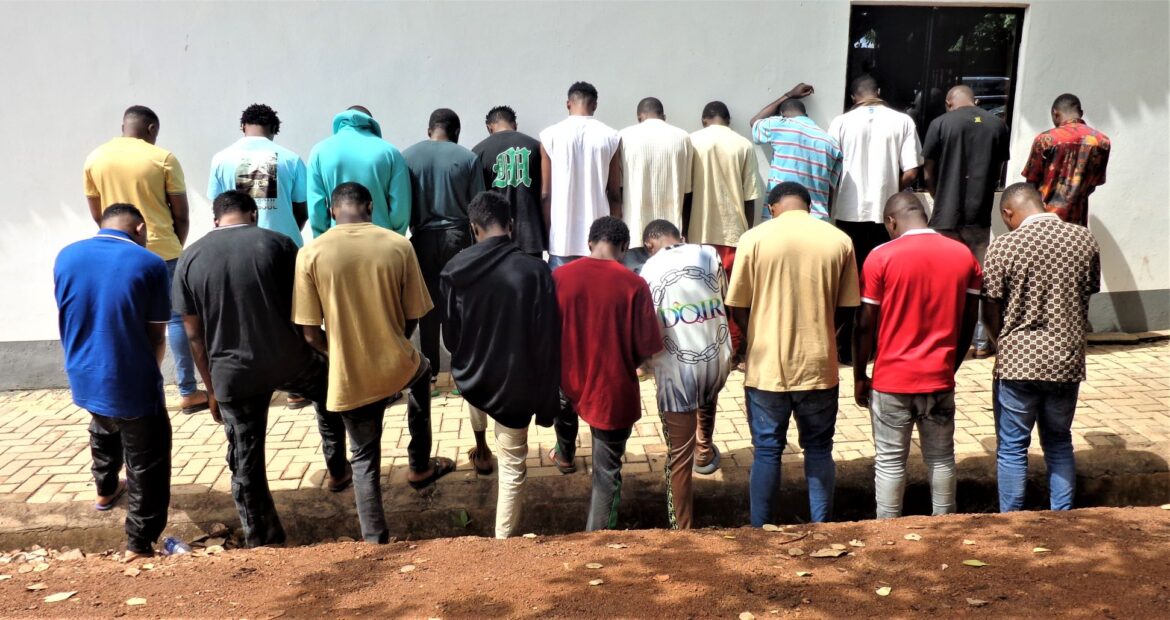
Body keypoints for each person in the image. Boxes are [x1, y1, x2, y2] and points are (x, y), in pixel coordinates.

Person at [173, 191, 351, 548]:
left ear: (215, 220)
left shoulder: (189, 258)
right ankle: (337, 470)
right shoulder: (278, 244)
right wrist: (322, 348)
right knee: (327, 391)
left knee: (245, 459)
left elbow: (193, 334)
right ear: (253, 214)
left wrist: (211, 390)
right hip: (291, 360)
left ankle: (264, 541)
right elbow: (307, 308)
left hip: (233, 375)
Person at [292, 182, 455, 543]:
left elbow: (309, 334)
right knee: (423, 371)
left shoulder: (311, 253)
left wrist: (340, 354)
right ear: (369, 207)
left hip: (350, 377)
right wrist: (396, 339)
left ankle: (374, 541)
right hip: (396, 364)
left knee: (364, 457)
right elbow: (414, 314)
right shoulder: (398, 245)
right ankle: (419, 465)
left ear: (332, 211)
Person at [726, 182, 859, 526]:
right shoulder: (838, 240)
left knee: (767, 450)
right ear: (809, 207)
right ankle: (822, 527)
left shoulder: (753, 239)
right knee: (819, 449)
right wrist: (826, 336)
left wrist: (755, 336)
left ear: (772, 208)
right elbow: (847, 308)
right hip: (819, 365)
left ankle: (760, 529)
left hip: (767, 367)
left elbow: (737, 305)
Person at [853, 193, 983, 519]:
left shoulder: (880, 257)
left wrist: (859, 374)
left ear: (891, 221)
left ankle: (888, 532)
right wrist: (951, 366)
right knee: (941, 458)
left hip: (892, 380)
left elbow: (865, 324)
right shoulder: (963, 255)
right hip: (939, 378)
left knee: (890, 461)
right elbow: (969, 321)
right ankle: (945, 526)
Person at [440, 191, 562, 538]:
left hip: (474, 376)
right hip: (516, 386)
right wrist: (547, 404)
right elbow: (547, 340)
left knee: (474, 394)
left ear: (473, 228)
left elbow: (451, 337)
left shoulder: (454, 270)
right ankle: (503, 545)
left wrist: (468, 361)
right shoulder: (535, 271)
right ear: (511, 224)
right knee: (512, 467)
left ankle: (481, 448)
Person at [54, 204, 172, 560]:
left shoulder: (66, 256)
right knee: (147, 460)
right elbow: (156, 334)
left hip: (82, 371)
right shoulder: (150, 263)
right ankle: (139, 543)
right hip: (130, 376)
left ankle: (105, 490)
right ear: (140, 228)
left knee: (103, 423)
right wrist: (150, 373)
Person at [982, 183, 1100, 512]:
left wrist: (1001, 342)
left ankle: (1012, 520)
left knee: (1012, 447)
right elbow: (1088, 291)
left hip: (1018, 362)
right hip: (1066, 359)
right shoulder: (1084, 239)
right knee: (1059, 442)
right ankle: (1062, 518)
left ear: (1008, 213)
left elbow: (989, 306)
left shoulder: (1003, 246)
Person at [84, 105, 206, 414]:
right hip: (162, 250)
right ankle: (188, 391)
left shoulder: (95, 158)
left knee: (128, 320)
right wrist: (174, 245)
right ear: (151, 129)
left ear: (123, 126)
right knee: (175, 319)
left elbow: (98, 213)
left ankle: (134, 389)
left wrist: (116, 241)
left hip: (117, 253)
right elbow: (181, 213)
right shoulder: (162, 158)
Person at [554, 216, 663, 530]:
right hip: (611, 390)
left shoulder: (560, 277)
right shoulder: (634, 285)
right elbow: (646, 348)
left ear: (589, 243)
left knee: (563, 408)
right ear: (625, 248)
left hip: (566, 379)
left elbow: (546, 332)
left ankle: (564, 455)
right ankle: (597, 542)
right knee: (606, 475)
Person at [639, 219, 732, 528]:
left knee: (678, 459)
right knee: (706, 394)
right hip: (717, 362)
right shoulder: (708, 254)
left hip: (676, 375)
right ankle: (704, 451)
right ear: (681, 236)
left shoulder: (648, 270)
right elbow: (722, 297)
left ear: (649, 245)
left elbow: (648, 327)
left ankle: (682, 531)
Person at [828, 75, 922, 363]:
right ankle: (879, 348)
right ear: (878, 92)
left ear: (853, 97)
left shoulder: (840, 123)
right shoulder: (903, 121)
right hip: (887, 217)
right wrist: (890, 189)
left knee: (849, 282)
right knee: (884, 282)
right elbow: (912, 171)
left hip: (848, 213)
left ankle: (846, 348)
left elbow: (830, 167)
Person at [923, 85, 1011, 360]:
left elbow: (928, 171)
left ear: (949, 102)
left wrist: (939, 197)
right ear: (976, 100)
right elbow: (998, 169)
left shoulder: (940, 123)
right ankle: (982, 341)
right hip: (979, 216)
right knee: (979, 279)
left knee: (942, 279)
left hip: (945, 217)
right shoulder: (997, 125)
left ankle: (941, 338)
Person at [404, 109, 486, 397]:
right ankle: (462, 376)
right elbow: (478, 207)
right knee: (459, 305)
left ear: (430, 130)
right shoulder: (468, 158)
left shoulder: (407, 157)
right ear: (457, 132)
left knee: (427, 307)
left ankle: (429, 377)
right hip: (458, 237)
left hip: (422, 238)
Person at [685, 101, 761, 387]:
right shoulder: (743, 145)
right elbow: (750, 196)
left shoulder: (691, 141)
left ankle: (705, 352)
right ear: (728, 120)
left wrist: (685, 229)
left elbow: (687, 193)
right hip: (734, 233)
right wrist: (747, 233)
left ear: (704, 120)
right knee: (734, 299)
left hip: (699, 232)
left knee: (702, 297)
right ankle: (736, 353)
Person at [539, 82, 622, 270]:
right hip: (600, 240)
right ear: (595, 105)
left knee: (561, 289)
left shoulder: (549, 136)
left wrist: (548, 235)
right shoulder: (611, 136)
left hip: (561, 240)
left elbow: (545, 195)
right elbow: (615, 195)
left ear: (568, 104)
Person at [207, 103, 309, 247]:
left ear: (242, 127)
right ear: (274, 129)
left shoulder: (220, 159)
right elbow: (302, 211)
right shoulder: (291, 160)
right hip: (283, 246)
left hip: (237, 246)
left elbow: (218, 208)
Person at [307, 106, 411, 238]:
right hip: (380, 241)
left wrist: (321, 238)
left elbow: (316, 207)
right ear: (371, 123)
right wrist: (396, 238)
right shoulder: (390, 152)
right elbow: (400, 207)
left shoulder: (319, 152)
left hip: (336, 241)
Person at [750, 84, 843, 222]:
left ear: (782, 115)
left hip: (782, 217)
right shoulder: (832, 144)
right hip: (817, 220)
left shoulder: (779, 125)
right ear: (806, 115)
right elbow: (831, 190)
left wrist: (788, 95)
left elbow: (754, 122)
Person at [1021, 94, 1111, 226]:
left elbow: (1031, 184)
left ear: (1055, 113)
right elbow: (1094, 184)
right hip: (1077, 222)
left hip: (1044, 220)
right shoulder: (1102, 141)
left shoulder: (1045, 139)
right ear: (1081, 113)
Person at [618, 97, 693, 249]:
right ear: (664, 116)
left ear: (639, 117)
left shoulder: (624, 136)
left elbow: (618, 188)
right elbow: (687, 190)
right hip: (671, 235)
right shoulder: (683, 137)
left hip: (635, 233)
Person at [471, 106, 546, 257]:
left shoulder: (478, 152)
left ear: (489, 127)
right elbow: (545, 193)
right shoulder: (536, 147)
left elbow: (477, 200)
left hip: (495, 236)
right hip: (531, 235)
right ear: (515, 125)